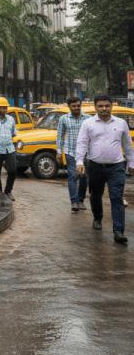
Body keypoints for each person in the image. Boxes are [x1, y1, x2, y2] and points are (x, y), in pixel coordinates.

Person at [75, 94, 134, 244]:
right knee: (95, 195)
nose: (104, 109)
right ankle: (97, 217)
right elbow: (81, 143)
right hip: (94, 166)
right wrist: (79, 162)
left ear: (111, 106)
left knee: (116, 197)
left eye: (107, 106)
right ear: (95, 107)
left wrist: (132, 163)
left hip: (116, 167)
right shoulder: (88, 124)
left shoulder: (121, 123)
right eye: (100, 106)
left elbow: (127, 145)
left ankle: (118, 231)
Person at [56, 96, 91, 212]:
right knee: (72, 176)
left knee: (84, 177)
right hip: (70, 152)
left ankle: (81, 200)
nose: (76, 108)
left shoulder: (88, 119)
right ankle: (74, 202)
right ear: (69, 106)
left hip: (86, 153)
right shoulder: (64, 119)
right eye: (74, 106)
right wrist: (59, 152)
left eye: (78, 105)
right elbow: (60, 136)